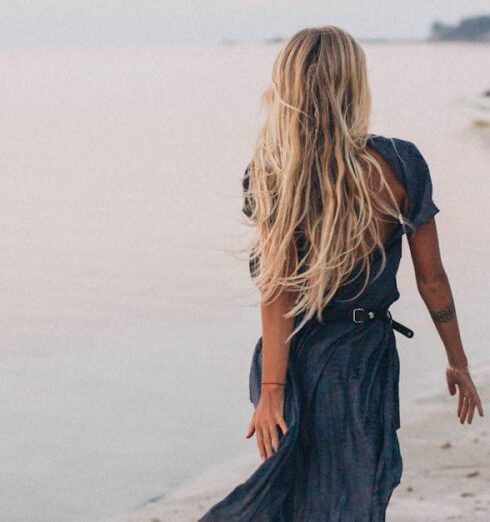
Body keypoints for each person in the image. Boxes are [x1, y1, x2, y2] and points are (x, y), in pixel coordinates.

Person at [198, 25, 484, 521]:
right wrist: (457, 360)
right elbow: (432, 278)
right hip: (360, 357)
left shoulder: (271, 169)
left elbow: (276, 290)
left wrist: (272, 391)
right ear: (354, 83)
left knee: (300, 492)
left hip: (294, 359)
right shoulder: (399, 162)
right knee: (353, 493)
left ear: (286, 84)